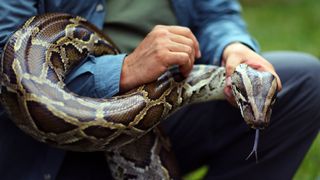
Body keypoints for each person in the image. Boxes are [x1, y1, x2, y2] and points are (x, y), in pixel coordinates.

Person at [0, 0, 319, 179]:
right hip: (50, 146)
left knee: (303, 80)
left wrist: (232, 46)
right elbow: (6, 53)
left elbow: (216, 14)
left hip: (161, 105)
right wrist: (124, 70)